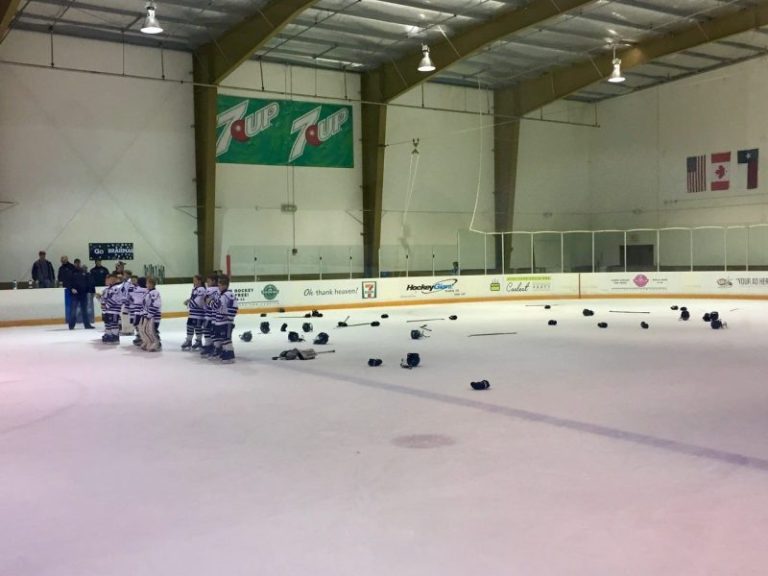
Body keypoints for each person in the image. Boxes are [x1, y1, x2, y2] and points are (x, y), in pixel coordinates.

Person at [211, 274, 238, 363]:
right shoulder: (222, 294)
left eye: (220, 285)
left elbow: (233, 308)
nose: (218, 287)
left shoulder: (228, 295)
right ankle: (225, 352)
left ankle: (230, 355)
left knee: (226, 338)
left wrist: (229, 317)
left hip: (226, 322)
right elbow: (217, 306)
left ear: (225, 285)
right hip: (220, 321)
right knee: (223, 338)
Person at [96, 274, 123, 343]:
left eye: (111, 279)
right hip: (108, 310)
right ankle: (109, 335)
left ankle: (115, 337)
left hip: (114, 310)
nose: (108, 280)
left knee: (113, 324)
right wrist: (100, 298)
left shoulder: (116, 289)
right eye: (108, 279)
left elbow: (115, 299)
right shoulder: (107, 289)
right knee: (108, 323)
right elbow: (104, 299)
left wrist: (106, 305)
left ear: (115, 280)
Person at [182, 275, 206, 351]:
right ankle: (189, 340)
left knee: (197, 327)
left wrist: (189, 303)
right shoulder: (195, 289)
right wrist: (189, 300)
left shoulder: (201, 289)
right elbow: (194, 298)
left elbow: (198, 302)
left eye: (195, 280)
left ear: (199, 281)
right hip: (193, 312)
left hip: (198, 313)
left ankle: (199, 341)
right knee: (189, 325)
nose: (194, 281)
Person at [139, 277, 162, 352]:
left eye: (148, 283)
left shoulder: (155, 292)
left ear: (152, 284)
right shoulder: (148, 292)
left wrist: (149, 314)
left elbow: (156, 304)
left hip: (152, 315)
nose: (147, 284)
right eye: (146, 283)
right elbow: (145, 304)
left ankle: (155, 343)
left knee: (150, 330)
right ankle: (147, 342)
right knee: (143, 330)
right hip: (147, 314)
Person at [68, 264, 94, 330]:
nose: (85, 269)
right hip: (75, 294)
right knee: (74, 310)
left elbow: (89, 283)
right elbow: (69, 283)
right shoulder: (73, 274)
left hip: (83, 294)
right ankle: (71, 325)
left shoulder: (87, 275)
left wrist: (90, 291)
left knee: (84, 310)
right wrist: (71, 289)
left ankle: (87, 324)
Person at [200, 274, 220, 358]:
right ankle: (213, 345)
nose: (207, 283)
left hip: (209, 315)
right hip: (214, 315)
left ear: (214, 281)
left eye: (209, 281)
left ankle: (209, 345)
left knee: (208, 331)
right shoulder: (217, 290)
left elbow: (204, 302)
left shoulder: (210, 290)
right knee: (211, 331)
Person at [129, 276, 147, 347]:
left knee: (138, 324)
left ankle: (140, 336)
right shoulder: (148, 290)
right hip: (143, 311)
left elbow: (130, 297)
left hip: (136, 310)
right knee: (143, 325)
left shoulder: (135, 289)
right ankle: (142, 337)